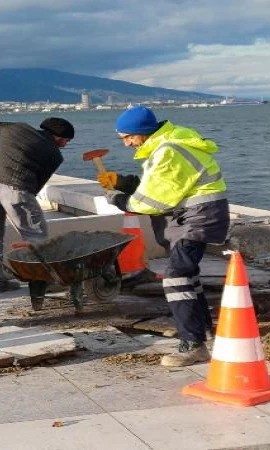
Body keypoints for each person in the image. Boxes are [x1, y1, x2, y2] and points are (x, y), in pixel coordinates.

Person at [98, 106, 229, 367]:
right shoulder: (169, 143)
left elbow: (152, 202)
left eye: (128, 137)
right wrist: (124, 181)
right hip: (196, 214)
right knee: (187, 274)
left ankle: (193, 344)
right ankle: (203, 331)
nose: (126, 144)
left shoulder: (167, 152)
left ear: (144, 133)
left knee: (177, 277)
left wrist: (120, 199)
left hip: (198, 217)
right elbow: (165, 186)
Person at [0, 118, 75, 295]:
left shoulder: (16, 128)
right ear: (58, 137)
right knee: (35, 236)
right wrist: (18, 202)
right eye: (66, 140)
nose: (65, 144)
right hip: (18, 190)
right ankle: (41, 282)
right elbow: (37, 186)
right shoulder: (55, 155)